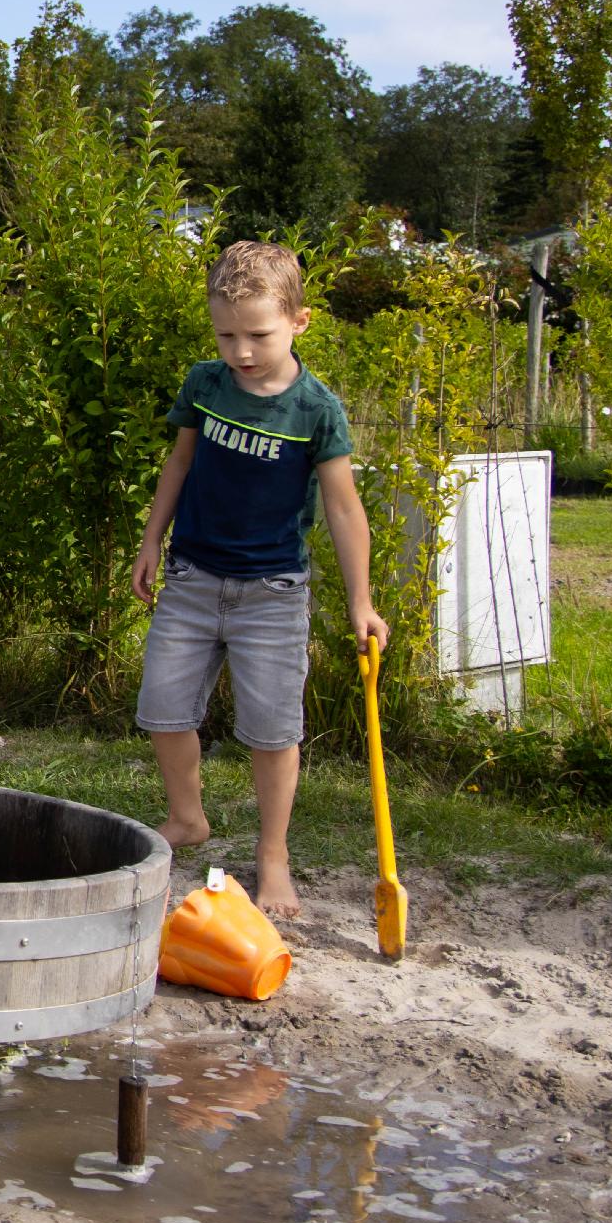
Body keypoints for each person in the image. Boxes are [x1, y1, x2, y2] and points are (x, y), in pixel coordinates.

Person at [129, 240, 388, 919]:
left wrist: (361, 600)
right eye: (226, 334)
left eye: (258, 335)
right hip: (189, 577)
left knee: (273, 730)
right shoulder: (205, 384)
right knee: (161, 704)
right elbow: (179, 465)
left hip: (271, 592)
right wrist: (152, 539)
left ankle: (273, 853)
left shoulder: (316, 410)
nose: (241, 350)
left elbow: (341, 506)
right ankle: (187, 818)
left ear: (300, 320)